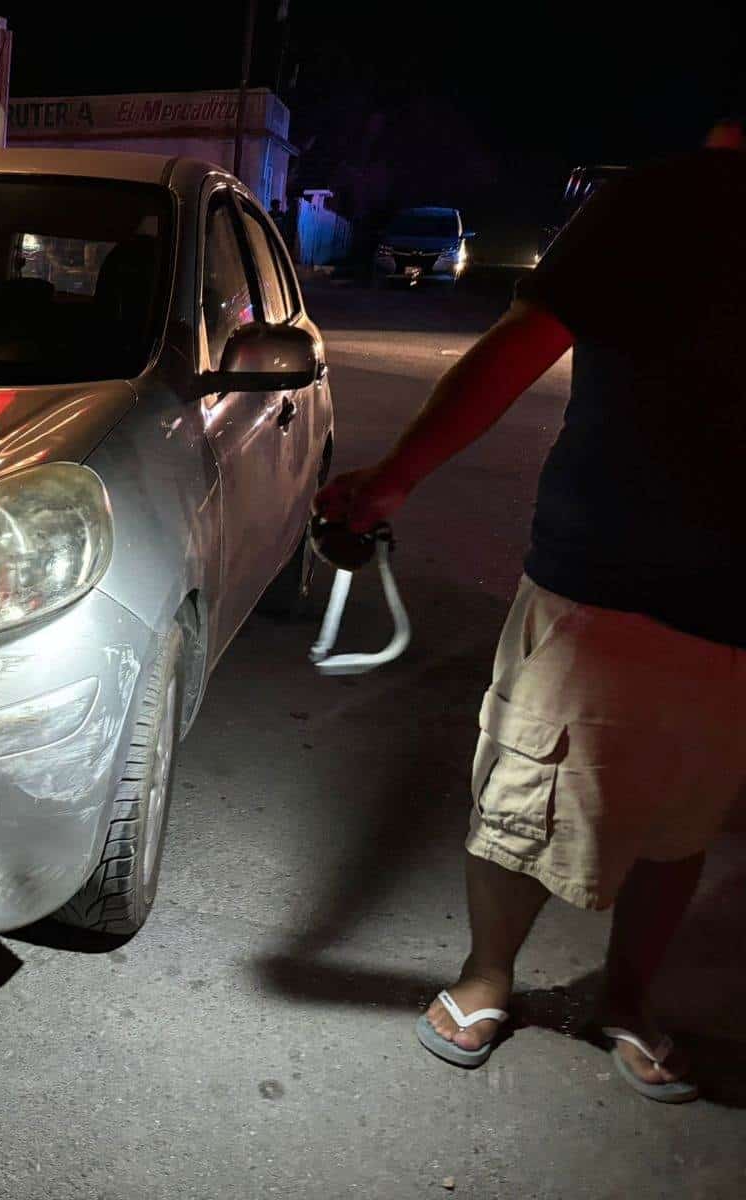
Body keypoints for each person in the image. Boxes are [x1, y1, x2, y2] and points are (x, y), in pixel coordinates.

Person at [315, 117, 745, 1103]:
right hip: (600, 580)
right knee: (524, 800)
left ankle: (625, 997)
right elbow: (520, 348)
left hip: (729, 608)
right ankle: (487, 978)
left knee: (682, 825)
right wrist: (394, 481)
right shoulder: (655, 201)